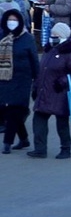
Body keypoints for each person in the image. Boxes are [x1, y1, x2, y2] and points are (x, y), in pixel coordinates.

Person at [28, 22, 71, 159]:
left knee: (62, 124)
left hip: (59, 94)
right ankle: (40, 149)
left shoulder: (69, 53)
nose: (53, 37)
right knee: (38, 121)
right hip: (44, 92)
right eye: (52, 34)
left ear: (63, 36)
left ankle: (65, 149)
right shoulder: (49, 50)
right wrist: (36, 87)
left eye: (56, 35)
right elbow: (42, 71)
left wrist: (62, 82)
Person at [1, 9, 39, 154]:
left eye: (15, 20)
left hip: (22, 79)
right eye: (9, 19)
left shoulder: (27, 38)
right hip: (4, 79)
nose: (12, 23)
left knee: (14, 109)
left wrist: (38, 80)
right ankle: (24, 139)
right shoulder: (2, 36)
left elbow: (35, 60)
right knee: (6, 110)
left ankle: (7, 142)